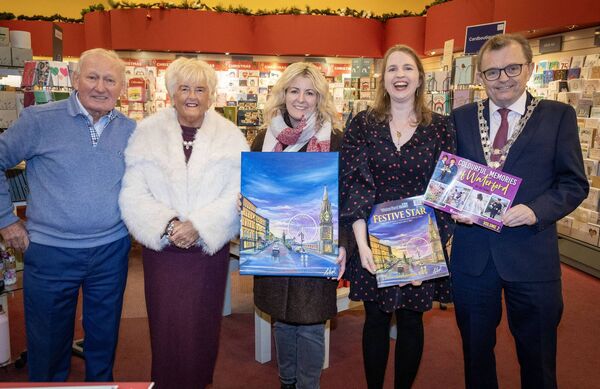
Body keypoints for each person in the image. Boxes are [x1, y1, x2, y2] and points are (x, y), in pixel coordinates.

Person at [450, 34, 588, 389]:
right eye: (492, 72)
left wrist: (534, 211)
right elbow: (446, 178)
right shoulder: (461, 118)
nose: (503, 78)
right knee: (475, 354)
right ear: (480, 77)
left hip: (531, 253)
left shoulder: (558, 116)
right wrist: (452, 205)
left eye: (512, 68)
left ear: (529, 69)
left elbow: (574, 184)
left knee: (538, 357)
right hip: (473, 256)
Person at [0, 48, 135, 381]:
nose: (100, 87)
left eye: (109, 80)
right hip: (50, 253)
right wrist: (5, 219)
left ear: (121, 88)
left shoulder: (132, 130)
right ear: (76, 80)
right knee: (47, 346)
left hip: (111, 252)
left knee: (103, 342)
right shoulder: (39, 120)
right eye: (92, 77)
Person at [119, 58, 249, 389]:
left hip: (207, 252)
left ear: (211, 95)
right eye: (184, 88)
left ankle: (197, 382)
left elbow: (236, 193)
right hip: (163, 252)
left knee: (202, 327)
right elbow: (134, 192)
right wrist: (167, 224)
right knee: (166, 326)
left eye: (200, 89)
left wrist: (200, 226)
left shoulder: (230, 137)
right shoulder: (146, 133)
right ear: (171, 93)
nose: (192, 96)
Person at [340, 44, 455, 389]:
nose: (400, 75)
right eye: (392, 69)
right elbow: (353, 185)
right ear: (383, 78)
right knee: (375, 319)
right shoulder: (362, 124)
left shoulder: (441, 128)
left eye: (407, 68)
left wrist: (429, 253)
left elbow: (445, 193)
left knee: (411, 321)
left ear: (420, 77)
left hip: (420, 243)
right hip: (371, 242)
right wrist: (362, 247)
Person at [251, 62, 346, 389]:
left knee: (310, 325)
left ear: (320, 98)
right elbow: (256, 189)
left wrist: (343, 241)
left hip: (316, 246)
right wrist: (244, 199)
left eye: (310, 92)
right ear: (283, 94)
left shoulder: (334, 140)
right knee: (282, 322)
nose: (301, 99)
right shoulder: (264, 138)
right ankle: (286, 382)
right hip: (275, 251)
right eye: (295, 90)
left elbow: (346, 197)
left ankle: (308, 386)